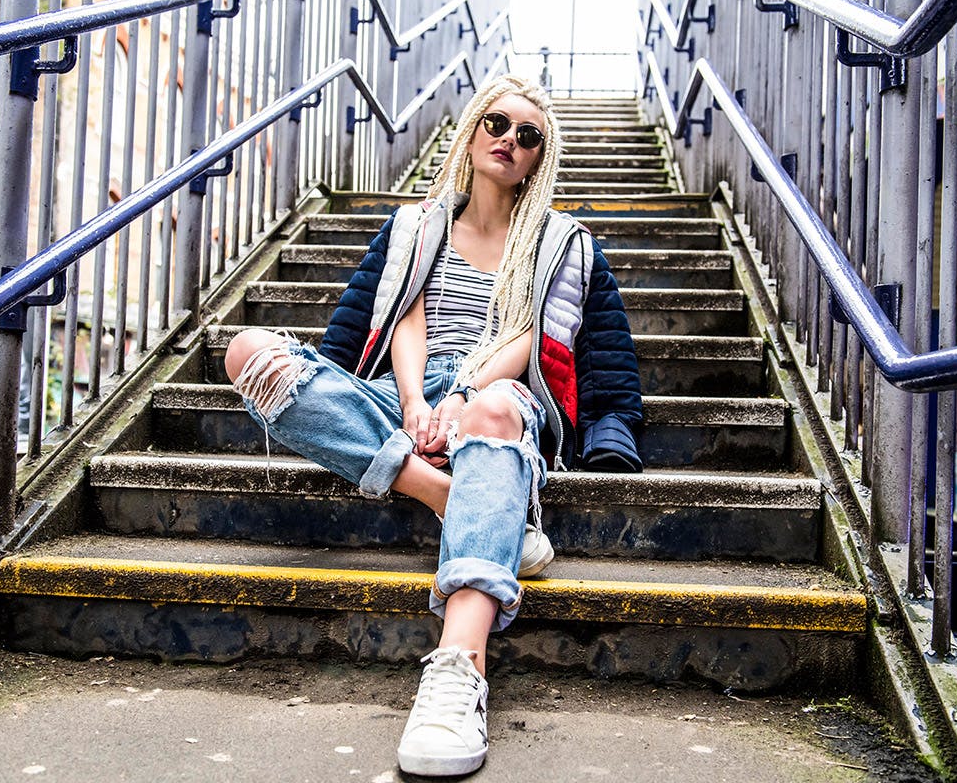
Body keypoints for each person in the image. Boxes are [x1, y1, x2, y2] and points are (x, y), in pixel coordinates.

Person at [223, 75, 643, 777]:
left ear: (539, 158)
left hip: (499, 386)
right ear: (472, 130)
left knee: (493, 410)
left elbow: (530, 335)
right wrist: (416, 403)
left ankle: (458, 670)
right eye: (497, 123)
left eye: (528, 135)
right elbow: (404, 320)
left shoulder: (559, 241)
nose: (509, 140)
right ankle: (452, 497)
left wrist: (466, 395)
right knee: (249, 352)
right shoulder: (417, 226)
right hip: (406, 384)